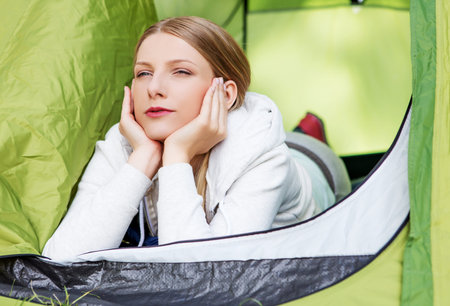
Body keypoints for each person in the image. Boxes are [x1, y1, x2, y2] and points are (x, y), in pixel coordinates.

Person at [42, 16, 350, 262]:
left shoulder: (262, 153)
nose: (154, 88)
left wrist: (175, 154)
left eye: (181, 72)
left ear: (225, 94)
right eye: (143, 74)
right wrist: (144, 158)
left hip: (316, 167)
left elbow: (199, 273)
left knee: (304, 146)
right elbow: (61, 257)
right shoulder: (126, 141)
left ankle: (309, 131)